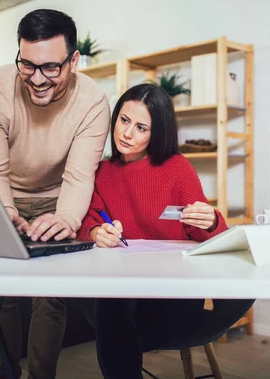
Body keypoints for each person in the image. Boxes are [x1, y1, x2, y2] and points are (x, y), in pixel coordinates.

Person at [0, 9, 110, 379]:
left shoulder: (94, 102)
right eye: (27, 66)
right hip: (3, 195)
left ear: (74, 60)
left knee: (50, 294)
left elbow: (80, 176)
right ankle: (5, 373)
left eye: (51, 68)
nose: (38, 79)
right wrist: (5, 211)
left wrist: (66, 219)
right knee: (2, 292)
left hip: (57, 198)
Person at [76, 83, 229, 379]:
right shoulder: (102, 172)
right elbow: (86, 223)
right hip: (121, 300)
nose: (127, 133)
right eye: (123, 120)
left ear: (157, 132)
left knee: (112, 302)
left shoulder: (178, 168)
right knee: (112, 296)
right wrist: (96, 232)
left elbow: (213, 237)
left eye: (141, 127)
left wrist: (210, 220)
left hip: (172, 298)